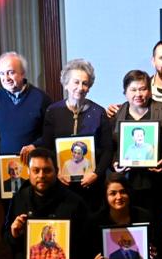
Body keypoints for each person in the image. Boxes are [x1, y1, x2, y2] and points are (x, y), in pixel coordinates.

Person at [109, 70, 162, 245]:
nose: (138, 94)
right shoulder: (116, 114)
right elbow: (111, 148)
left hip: (156, 183)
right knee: (129, 230)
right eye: (133, 90)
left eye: (143, 89)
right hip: (127, 184)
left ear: (150, 91)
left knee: (156, 230)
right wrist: (115, 163)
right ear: (125, 92)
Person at [43, 59, 113, 206]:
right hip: (62, 184)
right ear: (66, 84)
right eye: (76, 82)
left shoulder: (99, 112)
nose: (80, 88)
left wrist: (96, 174)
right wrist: (57, 171)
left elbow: (107, 149)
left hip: (92, 185)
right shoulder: (53, 111)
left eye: (85, 83)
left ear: (89, 87)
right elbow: (47, 147)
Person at [0, 51, 53, 162]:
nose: (6, 78)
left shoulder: (41, 99)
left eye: (11, 72)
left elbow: (51, 133)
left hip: (34, 164)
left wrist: (35, 146)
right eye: (1, 73)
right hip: (4, 167)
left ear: (23, 73)